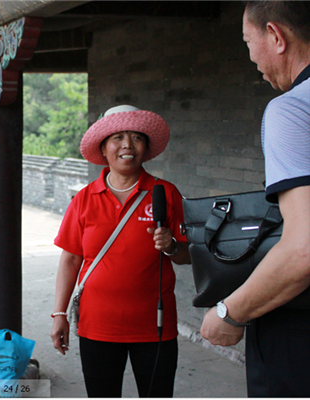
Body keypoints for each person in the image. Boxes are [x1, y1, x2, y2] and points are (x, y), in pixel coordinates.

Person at [200, 0, 310, 397]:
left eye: (248, 41)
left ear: (276, 35)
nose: (251, 58)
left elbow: (303, 249)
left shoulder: (292, 110)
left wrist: (229, 312)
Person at [50, 105, 191, 398]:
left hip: (155, 326)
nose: (128, 144)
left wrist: (171, 246)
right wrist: (60, 314)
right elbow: (71, 259)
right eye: (118, 137)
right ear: (103, 148)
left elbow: (188, 255)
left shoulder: (165, 193)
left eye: (136, 137)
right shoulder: (84, 199)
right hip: (97, 326)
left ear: (146, 148)